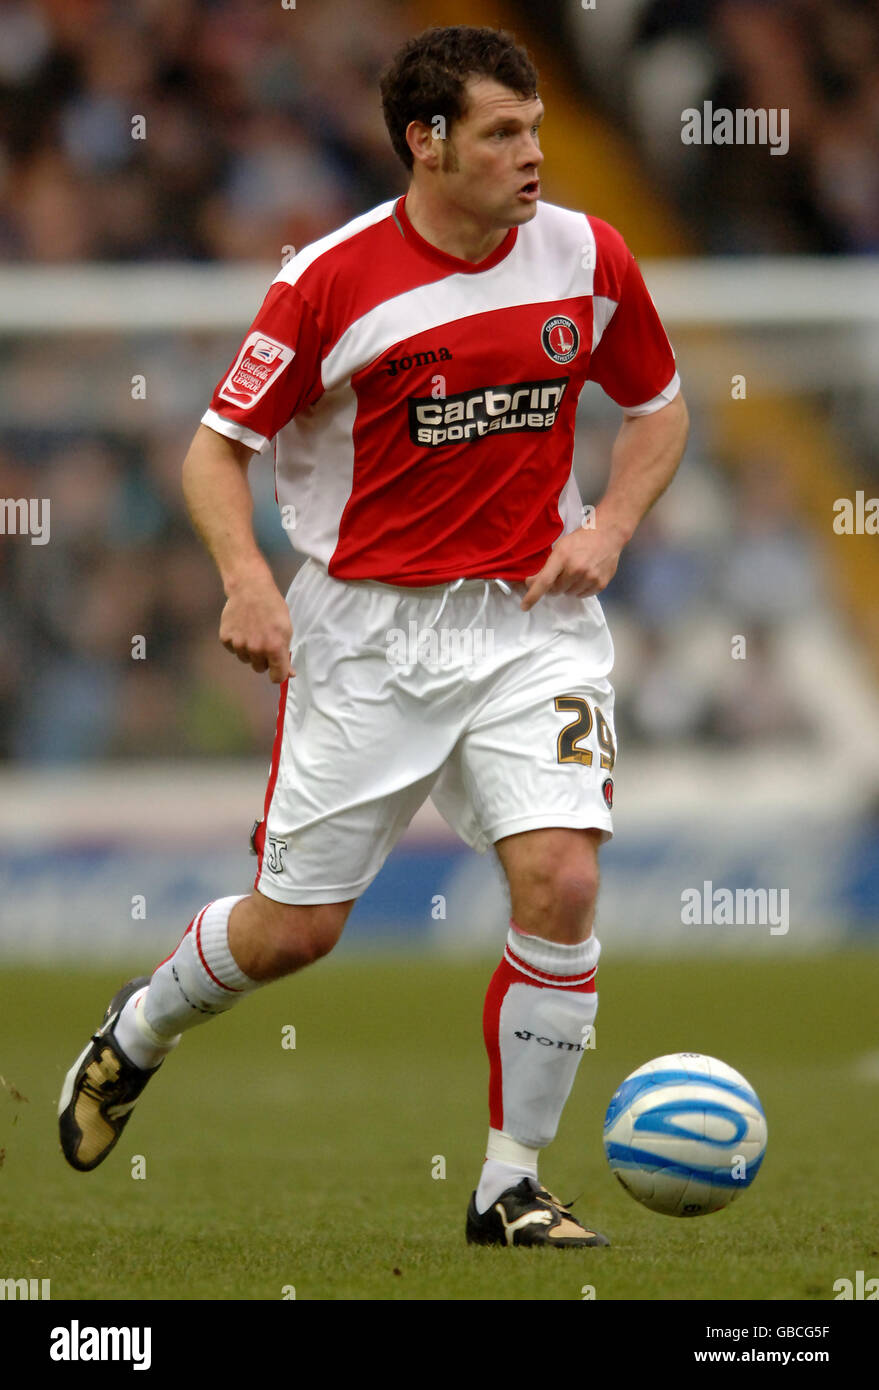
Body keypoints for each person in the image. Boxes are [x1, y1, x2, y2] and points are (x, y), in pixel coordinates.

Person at [58, 24, 688, 1249]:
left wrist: (607, 526)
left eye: (538, 127)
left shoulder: (586, 253)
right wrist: (248, 579)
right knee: (296, 930)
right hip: (368, 635)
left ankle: (509, 1184)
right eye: (502, 132)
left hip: (529, 620)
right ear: (426, 141)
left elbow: (657, 410)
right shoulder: (332, 282)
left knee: (562, 878)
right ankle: (138, 1030)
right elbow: (212, 448)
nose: (534, 155)